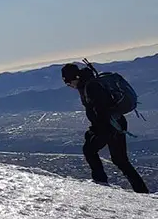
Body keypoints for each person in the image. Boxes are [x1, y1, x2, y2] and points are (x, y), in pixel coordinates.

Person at [61, 63, 149, 193]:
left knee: (90, 150)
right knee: (120, 160)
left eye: (69, 83)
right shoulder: (89, 83)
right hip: (115, 123)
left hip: (109, 126)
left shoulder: (90, 87)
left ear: (75, 77)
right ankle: (141, 190)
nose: (70, 86)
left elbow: (101, 110)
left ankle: (101, 183)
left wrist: (96, 129)